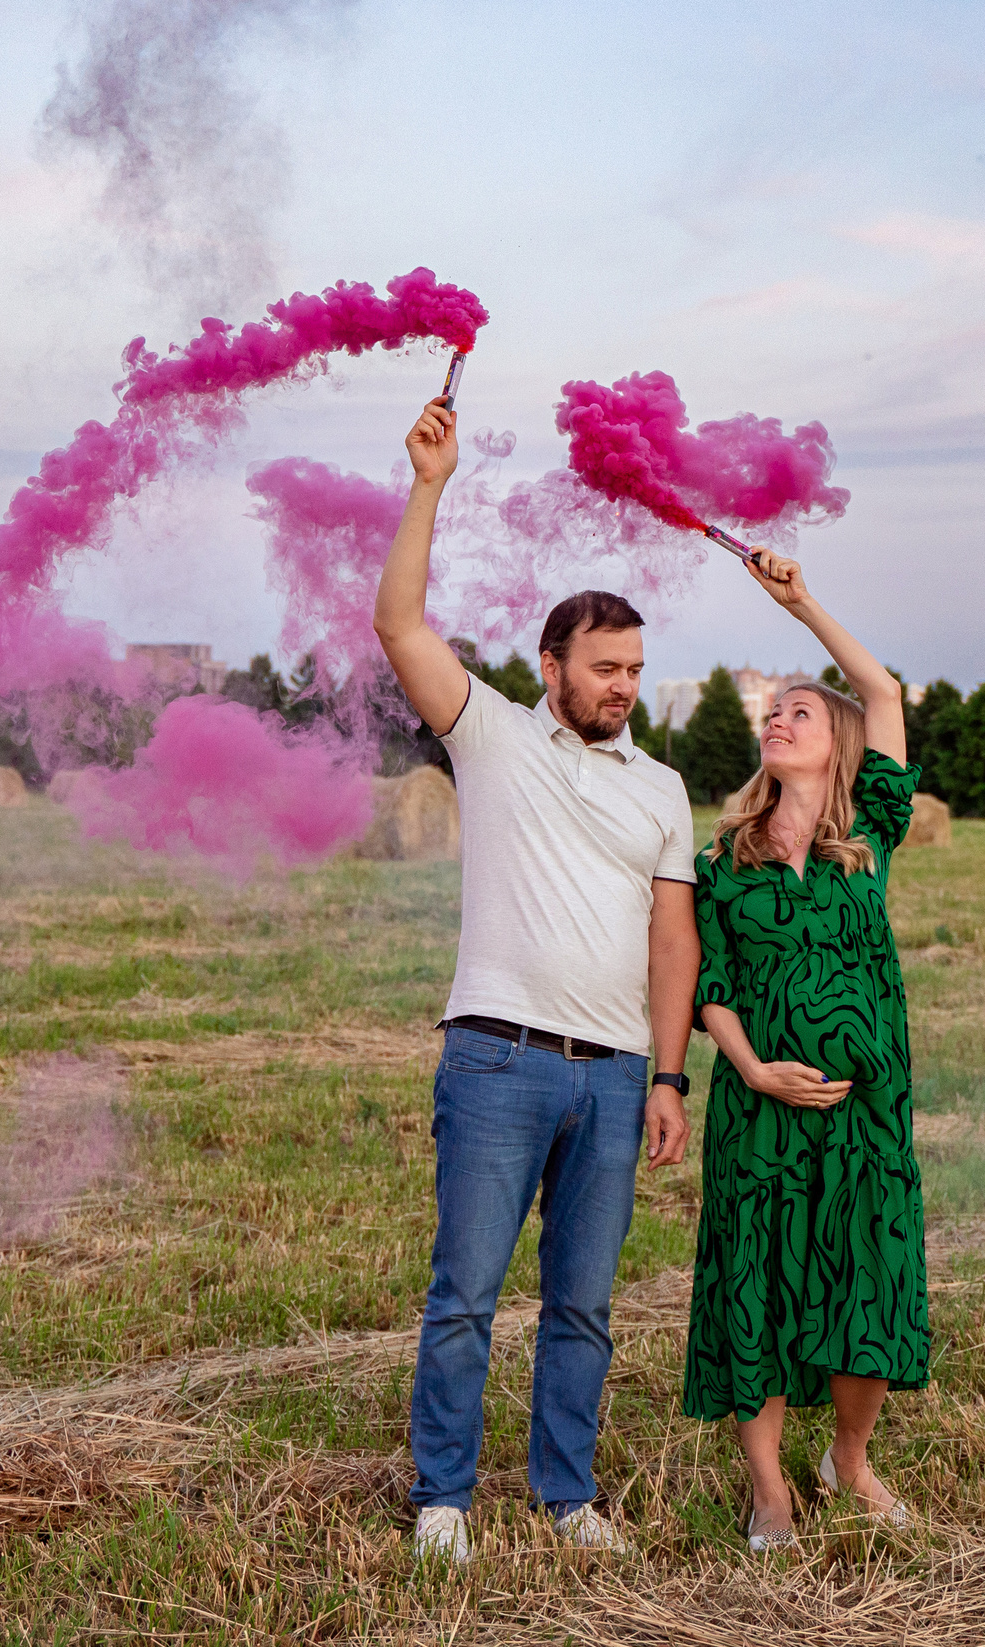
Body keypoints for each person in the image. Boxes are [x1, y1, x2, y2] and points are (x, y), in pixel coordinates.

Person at [371, 396, 700, 1566]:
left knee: (584, 1308)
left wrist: (667, 1076)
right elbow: (399, 623)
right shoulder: (493, 736)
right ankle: (443, 1500)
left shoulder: (661, 789)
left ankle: (567, 1495)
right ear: (551, 663)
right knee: (463, 1293)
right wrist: (429, 485)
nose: (623, 686)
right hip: (498, 1058)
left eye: (637, 670)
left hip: (613, 1078)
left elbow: (674, 943)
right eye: (604, 667)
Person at [681, 554, 925, 1549]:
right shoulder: (721, 861)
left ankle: (848, 1461)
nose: (778, 720)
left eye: (800, 714)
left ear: (839, 748)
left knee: (867, 1278)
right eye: (771, 712)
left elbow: (882, 689)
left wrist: (798, 603)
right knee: (758, 1285)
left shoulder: (871, 829)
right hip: (758, 1109)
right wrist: (746, 1067)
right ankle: (770, 1488)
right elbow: (713, 987)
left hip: (865, 1112)